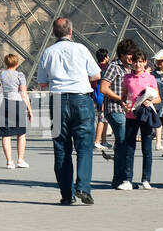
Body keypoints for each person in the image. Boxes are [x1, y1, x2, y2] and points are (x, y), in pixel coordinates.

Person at [34, 19, 100, 205]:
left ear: (55, 33)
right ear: (71, 31)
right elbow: (96, 75)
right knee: (84, 147)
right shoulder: (81, 49)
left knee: (61, 148)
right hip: (81, 99)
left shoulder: (48, 52)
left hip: (57, 100)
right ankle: (83, 187)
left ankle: (66, 194)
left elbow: (42, 82)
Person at [122, 52, 161, 189]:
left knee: (147, 148)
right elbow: (124, 96)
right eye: (135, 61)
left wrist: (149, 101)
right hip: (131, 116)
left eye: (140, 61)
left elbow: (158, 98)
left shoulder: (150, 78)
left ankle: (146, 179)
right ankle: (127, 180)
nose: (137, 64)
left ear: (145, 63)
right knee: (129, 148)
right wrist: (124, 105)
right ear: (132, 62)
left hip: (145, 116)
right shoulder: (127, 78)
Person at [100, 40, 135, 183]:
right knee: (122, 141)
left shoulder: (130, 69)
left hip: (127, 110)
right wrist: (120, 98)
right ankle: (121, 178)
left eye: (132, 53)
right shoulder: (114, 67)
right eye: (128, 54)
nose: (131, 57)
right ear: (121, 54)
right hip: (115, 109)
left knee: (123, 143)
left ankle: (120, 178)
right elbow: (104, 88)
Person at [0, 53, 32, 169]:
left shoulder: (0, 74)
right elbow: (23, 93)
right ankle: (20, 160)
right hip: (16, 104)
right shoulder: (20, 75)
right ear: (17, 63)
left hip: (2, 104)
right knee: (21, 133)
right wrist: (29, 109)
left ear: (6, 62)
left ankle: (9, 161)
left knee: (5, 134)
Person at [92, 48, 110, 152]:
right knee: (102, 119)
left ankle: (103, 140)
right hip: (102, 96)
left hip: (98, 95)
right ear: (106, 57)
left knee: (104, 119)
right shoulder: (106, 68)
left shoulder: (96, 68)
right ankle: (97, 141)